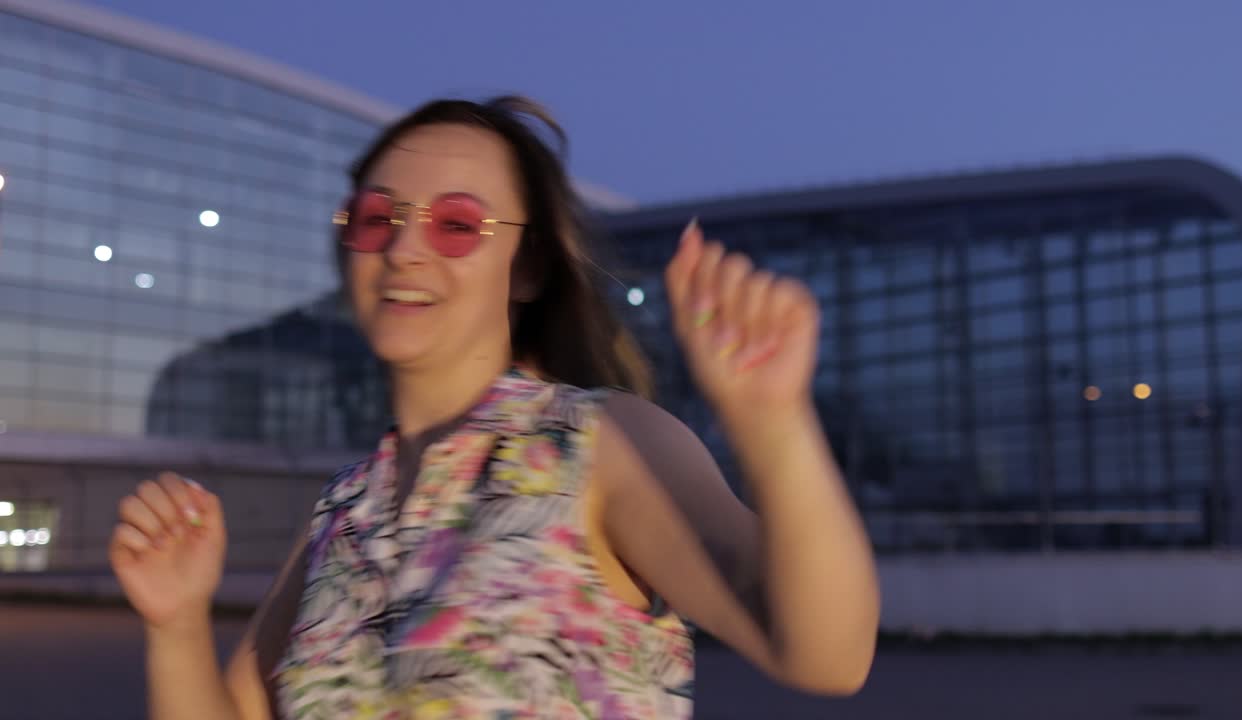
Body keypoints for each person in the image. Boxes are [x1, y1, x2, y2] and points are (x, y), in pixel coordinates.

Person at [108, 96, 879, 719]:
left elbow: (825, 654)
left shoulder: (598, 445)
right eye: (378, 218)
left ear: (528, 265)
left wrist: (774, 425)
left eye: (456, 226)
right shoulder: (344, 509)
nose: (405, 249)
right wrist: (175, 626)